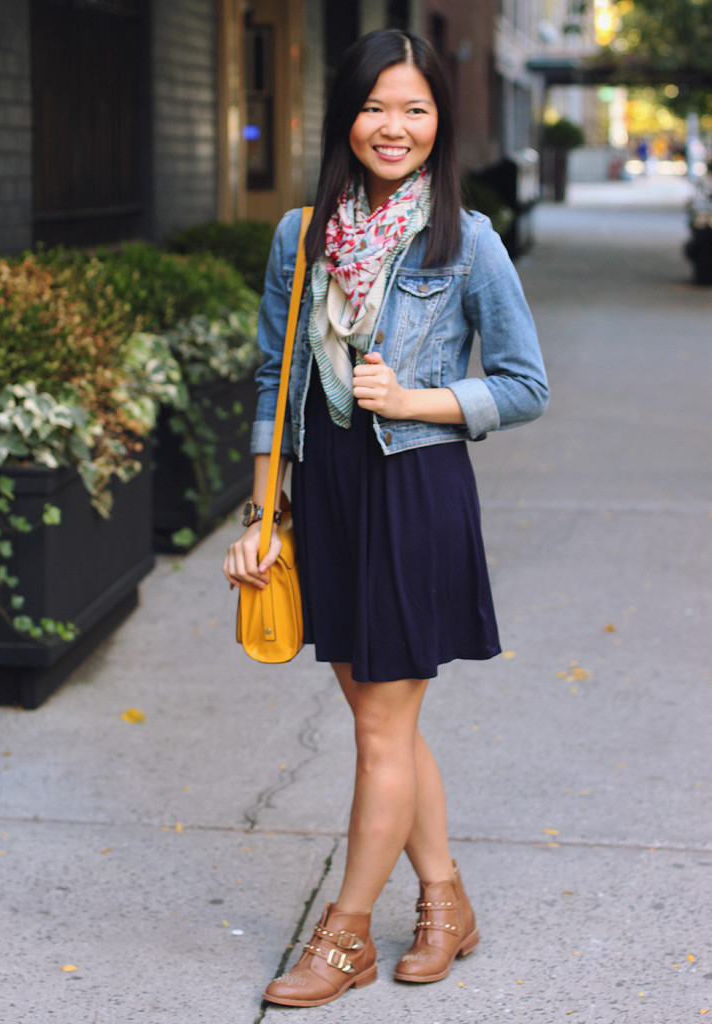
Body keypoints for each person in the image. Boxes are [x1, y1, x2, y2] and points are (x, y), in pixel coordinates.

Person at [223, 28, 548, 1009]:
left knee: (379, 729)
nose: (392, 126)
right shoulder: (300, 233)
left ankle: (345, 935)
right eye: (375, 106)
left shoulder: (467, 239)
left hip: (414, 489)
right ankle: (444, 900)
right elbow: (274, 381)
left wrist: (417, 399)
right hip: (326, 489)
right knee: (380, 721)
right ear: (345, 118)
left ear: (437, 121)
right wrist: (259, 511)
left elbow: (525, 385)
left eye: (413, 107)